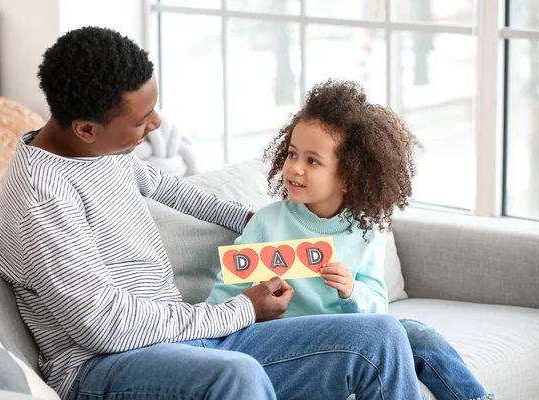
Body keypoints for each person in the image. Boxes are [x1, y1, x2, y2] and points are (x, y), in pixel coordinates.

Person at [0, 26, 424, 400]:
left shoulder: (101, 151)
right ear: (86, 129)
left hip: (187, 342)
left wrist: (266, 222)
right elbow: (105, 325)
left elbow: (167, 187)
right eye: (141, 120)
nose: (157, 124)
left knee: (381, 337)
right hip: (105, 366)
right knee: (237, 373)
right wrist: (240, 310)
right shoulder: (41, 199)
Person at [206, 80, 495, 400]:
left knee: (415, 333)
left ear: (348, 177)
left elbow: (378, 308)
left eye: (312, 161)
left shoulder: (366, 230)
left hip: (355, 339)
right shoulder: (266, 224)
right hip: (293, 345)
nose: (295, 168)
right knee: (396, 333)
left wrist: (351, 290)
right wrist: (252, 301)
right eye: (292, 154)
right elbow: (222, 300)